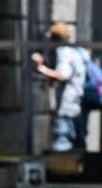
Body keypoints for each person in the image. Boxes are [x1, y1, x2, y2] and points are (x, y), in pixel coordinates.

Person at [32, 21, 90, 151]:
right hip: (77, 100)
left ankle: (62, 169)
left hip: (67, 102)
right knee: (78, 141)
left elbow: (63, 75)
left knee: (62, 141)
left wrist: (41, 68)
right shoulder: (78, 51)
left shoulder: (64, 52)